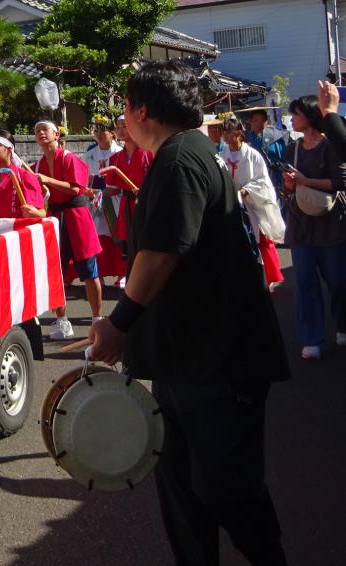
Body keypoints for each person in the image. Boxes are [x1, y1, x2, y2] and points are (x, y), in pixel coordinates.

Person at [89, 60, 289, 566]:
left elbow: (162, 252)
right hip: (190, 359)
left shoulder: (181, 159)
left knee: (226, 488)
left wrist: (118, 324)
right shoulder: (184, 154)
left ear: (140, 111)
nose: (122, 120)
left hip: (219, 362)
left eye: (124, 109)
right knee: (182, 491)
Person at [280, 94, 346, 359]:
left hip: (332, 223)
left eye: (296, 114)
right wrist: (288, 185)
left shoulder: (332, 145)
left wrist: (305, 181)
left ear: (310, 115)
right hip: (301, 224)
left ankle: (342, 324)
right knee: (305, 282)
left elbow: (340, 182)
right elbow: (286, 187)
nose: (293, 119)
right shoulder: (291, 148)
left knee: (339, 281)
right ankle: (312, 338)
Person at [33, 119, 102, 338]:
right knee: (57, 272)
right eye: (37, 131)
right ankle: (62, 321)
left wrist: (47, 179)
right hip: (55, 216)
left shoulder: (70, 158)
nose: (41, 133)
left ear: (56, 134)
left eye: (45, 130)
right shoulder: (38, 164)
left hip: (76, 216)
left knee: (90, 272)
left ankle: (97, 319)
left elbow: (76, 189)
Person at [221, 115, 285, 290]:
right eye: (223, 133)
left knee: (260, 239)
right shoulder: (221, 155)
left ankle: (267, 278)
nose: (225, 136)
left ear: (239, 133)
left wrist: (246, 190)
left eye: (228, 132)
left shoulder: (253, 155)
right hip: (233, 202)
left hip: (252, 202)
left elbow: (262, 180)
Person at [102, 114, 152, 288]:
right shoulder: (115, 159)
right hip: (127, 206)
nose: (122, 130)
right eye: (119, 127)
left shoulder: (149, 152)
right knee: (130, 248)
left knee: (148, 246)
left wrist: (145, 191)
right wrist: (95, 193)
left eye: (125, 126)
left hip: (148, 204)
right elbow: (112, 189)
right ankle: (134, 285)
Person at [82, 116, 125, 284]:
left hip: (115, 197)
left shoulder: (119, 152)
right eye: (96, 131)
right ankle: (99, 273)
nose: (99, 134)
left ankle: (122, 273)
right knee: (98, 237)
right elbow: (86, 177)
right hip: (95, 199)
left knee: (118, 236)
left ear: (112, 133)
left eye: (103, 131)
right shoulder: (90, 154)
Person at [0, 128, 46, 221]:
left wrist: (36, 213)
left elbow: (41, 213)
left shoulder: (24, 176)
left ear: (9, 149)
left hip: (16, 232)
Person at [245, 107, 285, 192]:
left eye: (262, 120)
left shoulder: (275, 138)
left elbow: (281, 157)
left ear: (266, 122)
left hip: (272, 176)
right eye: (256, 120)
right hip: (251, 176)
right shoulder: (244, 139)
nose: (259, 123)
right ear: (250, 121)